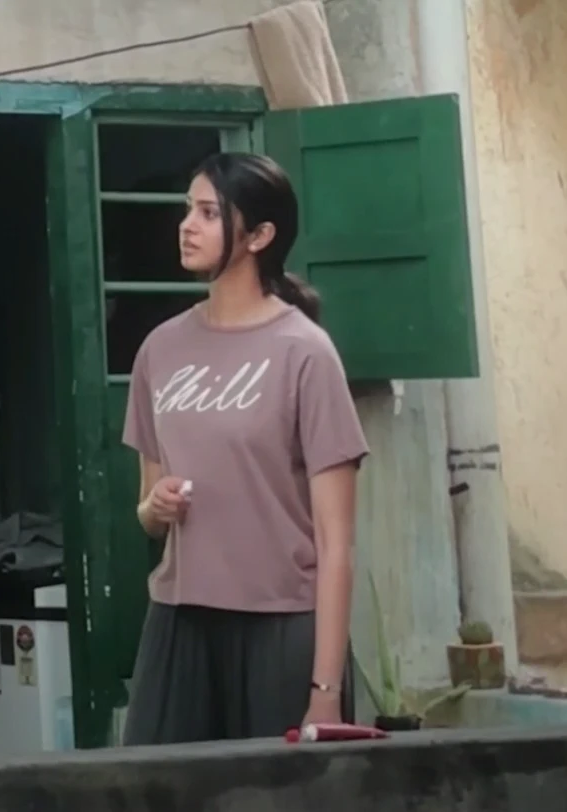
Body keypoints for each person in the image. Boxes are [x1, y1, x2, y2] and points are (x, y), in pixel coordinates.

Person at [119, 152, 368, 744]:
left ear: (259, 236)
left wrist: (325, 691)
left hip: (281, 629)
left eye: (209, 213)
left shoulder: (305, 353)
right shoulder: (159, 350)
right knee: (154, 784)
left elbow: (335, 544)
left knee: (274, 789)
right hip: (179, 622)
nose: (187, 226)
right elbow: (147, 515)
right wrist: (156, 507)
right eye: (188, 210)